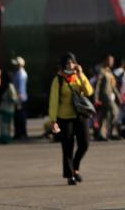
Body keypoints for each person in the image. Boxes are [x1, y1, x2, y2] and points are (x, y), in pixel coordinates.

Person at [48, 53, 94, 185]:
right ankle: (70, 175)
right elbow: (53, 101)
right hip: (65, 117)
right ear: (63, 65)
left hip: (80, 115)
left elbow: (89, 91)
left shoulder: (78, 76)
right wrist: (53, 120)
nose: (70, 65)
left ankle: (75, 167)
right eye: (67, 63)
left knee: (84, 143)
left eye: (72, 62)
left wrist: (81, 75)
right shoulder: (58, 79)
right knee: (67, 147)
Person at [94, 55, 122, 141]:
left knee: (105, 115)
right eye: (110, 60)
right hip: (105, 96)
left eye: (112, 60)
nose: (112, 62)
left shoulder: (109, 71)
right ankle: (109, 132)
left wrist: (118, 96)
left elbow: (113, 86)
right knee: (115, 111)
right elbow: (97, 85)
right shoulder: (101, 71)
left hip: (110, 95)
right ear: (105, 61)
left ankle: (102, 134)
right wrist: (96, 98)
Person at [0, 70, 20, 144]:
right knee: (8, 125)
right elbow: (13, 98)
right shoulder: (11, 86)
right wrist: (18, 100)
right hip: (9, 109)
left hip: (2, 107)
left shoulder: (2, 85)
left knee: (2, 125)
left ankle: (2, 138)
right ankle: (6, 139)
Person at [11, 56, 28, 139]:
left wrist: (18, 98)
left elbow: (20, 88)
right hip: (20, 97)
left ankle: (20, 133)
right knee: (20, 116)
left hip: (20, 98)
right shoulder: (18, 73)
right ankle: (20, 132)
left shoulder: (21, 74)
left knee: (19, 116)